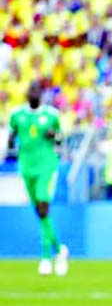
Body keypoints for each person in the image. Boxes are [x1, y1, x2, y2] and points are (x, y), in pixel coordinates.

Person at [7, 81, 69, 276]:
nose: (33, 93)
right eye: (30, 90)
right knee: (40, 211)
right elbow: (12, 135)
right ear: (27, 94)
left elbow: (60, 138)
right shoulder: (17, 115)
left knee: (43, 207)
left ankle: (45, 257)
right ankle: (59, 249)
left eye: (36, 90)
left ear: (41, 95)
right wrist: (11, 140)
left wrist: (54, 135)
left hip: (46, 166)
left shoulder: (51, 115)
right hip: (26, 167)